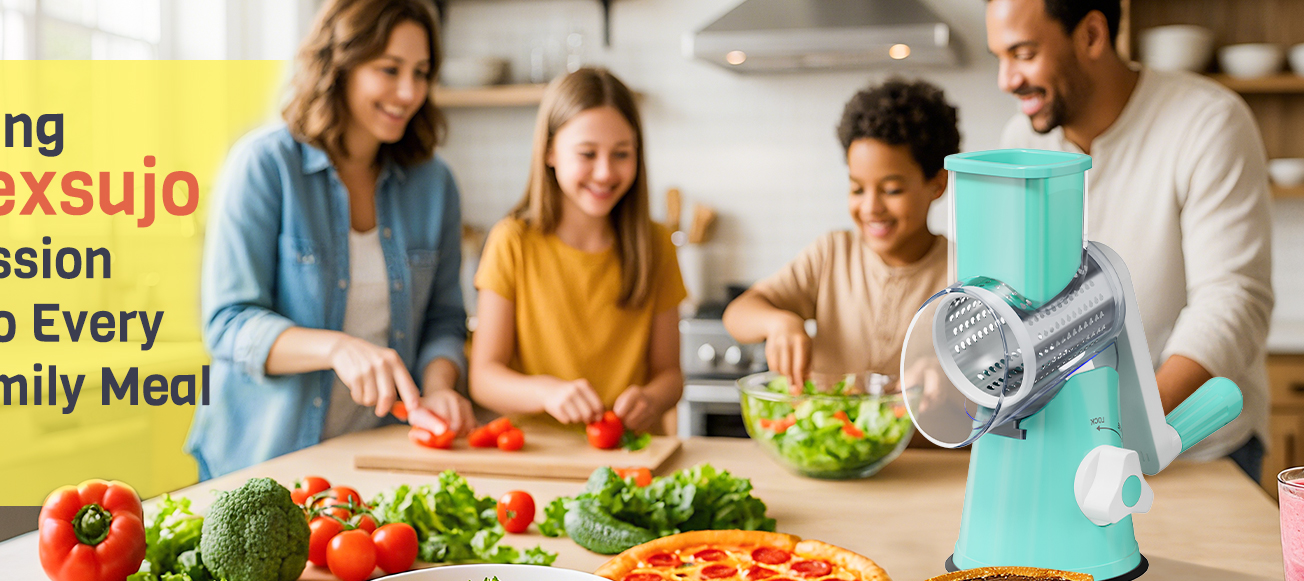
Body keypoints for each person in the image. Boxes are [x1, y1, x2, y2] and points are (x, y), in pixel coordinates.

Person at [987, 0, 1274, 479]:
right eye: (1000, 56)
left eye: (1023, 53)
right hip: (1073, 452)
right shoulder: (1020, 141)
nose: (1007, 80)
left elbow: (1233, 300)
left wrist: (1117, 430)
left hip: (1198, 449)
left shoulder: (1208, 121)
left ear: (1093, 35)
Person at [188, 0, 474, 480]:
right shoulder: (265, 166)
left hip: (375, 460)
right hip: (262, 464)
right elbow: (228, 324)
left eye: (421, 73)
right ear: (340, 65)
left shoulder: (434, 184)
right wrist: (336, 348)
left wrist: (441, 385)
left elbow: (444, 319)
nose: (409, 92)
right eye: (389, 69)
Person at [469, 67, 686, 434]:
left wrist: (651, 399)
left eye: (621, 154)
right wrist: (545, 392)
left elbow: (670, 375)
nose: (604, 172)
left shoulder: (656, 244)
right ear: (550, 151)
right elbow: (484, 378)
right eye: (587, 153)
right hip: (535, 456)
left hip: (630, 459)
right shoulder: (513, 242)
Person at [723, 78, 959, 394]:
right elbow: (738, 313)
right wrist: (779, 323)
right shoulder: (832, 254)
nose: (871, 207)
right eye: (857, 188)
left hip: (922, 445)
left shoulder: (961, 273)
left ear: (936, 184)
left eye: (892, 190)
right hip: (830, 441)